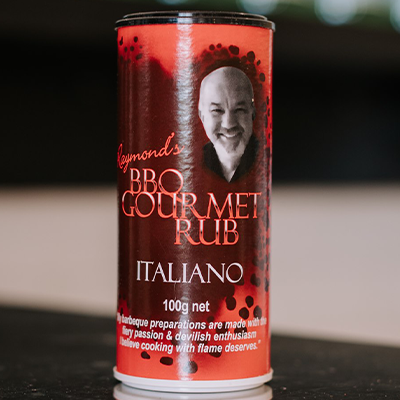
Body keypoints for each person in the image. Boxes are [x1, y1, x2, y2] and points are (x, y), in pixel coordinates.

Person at [198, 66, 259, 182]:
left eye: (239, 110)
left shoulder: (262, 159)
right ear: (202, 115)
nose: (229, 124)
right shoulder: (193, 162)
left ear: (252, 113)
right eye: (217, 111)